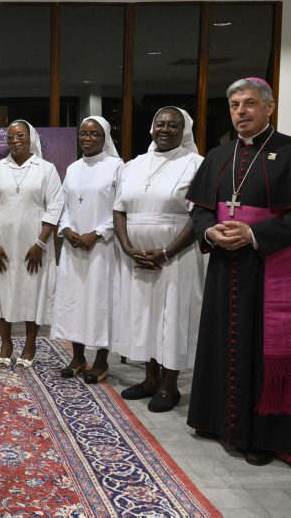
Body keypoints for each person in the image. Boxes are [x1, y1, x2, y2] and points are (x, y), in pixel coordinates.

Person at [186, 77, 291, 466]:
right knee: (224, 341)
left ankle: (266, 436)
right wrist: (210, 231)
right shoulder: (218, 156)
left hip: (272, 267)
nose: (241, 111)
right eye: (235, 105)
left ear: (269, 107)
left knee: (261, 347)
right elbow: (200, 209)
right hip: (225, 266)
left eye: (250, 103)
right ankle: (220, 423)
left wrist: (255, 234)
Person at [112, 106, 204, 412]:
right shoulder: (134, 165)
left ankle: (169, 385)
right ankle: (150, 379)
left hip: (177, 256)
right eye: (160, 124)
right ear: (151, 128)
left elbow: (199, 216)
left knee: (172, 317)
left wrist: (166, 252)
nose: (165, 129)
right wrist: (127, 247)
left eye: (173, 125)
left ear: (184, 131)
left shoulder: (196, 164)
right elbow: (119, 209)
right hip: (137, 257)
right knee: (144, 316)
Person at [0, 120, 63, 368]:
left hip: (34, 243)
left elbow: (55, 206)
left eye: (20, 135)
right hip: (0, 243)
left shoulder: (46, 169)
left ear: (30, 138)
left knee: (32, 291)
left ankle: (30, 343)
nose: (15, 141)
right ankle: (6, 343)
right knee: (2, 290)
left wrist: (40, 244)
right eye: (11, 137)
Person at [52, 116, 123, 383]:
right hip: (73, 247)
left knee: (100, 301)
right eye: (83, 133)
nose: (87, 138)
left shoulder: (116, 167)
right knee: (74, 301)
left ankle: (101, 361)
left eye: (94, 134)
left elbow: (120, 207)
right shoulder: (73, 168)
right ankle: (78, 357)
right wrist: (67, 230)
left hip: (102, 247)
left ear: (105, 138)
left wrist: (97, 233)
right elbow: (64, 204)